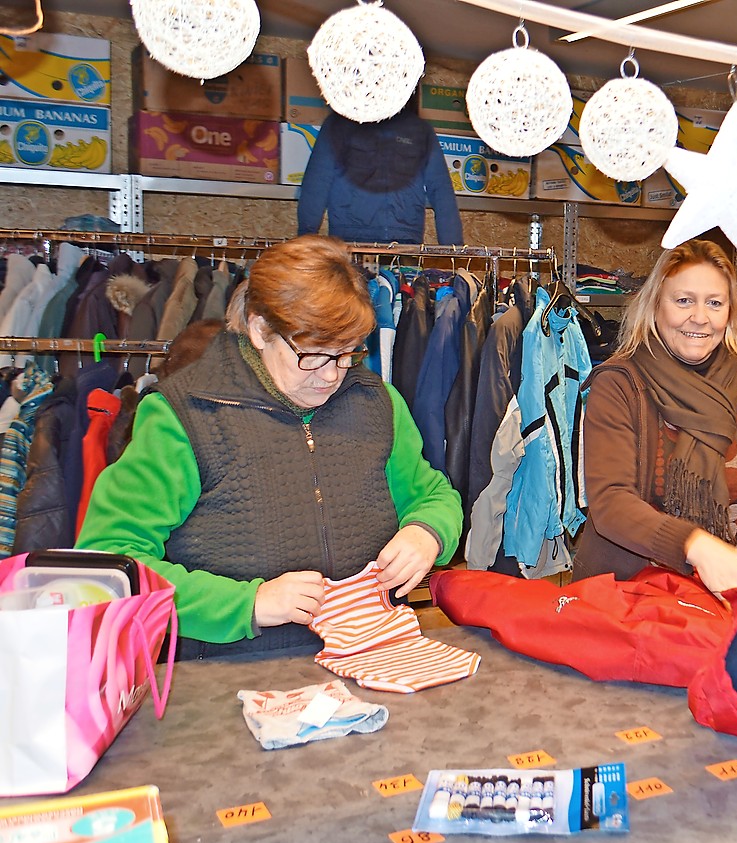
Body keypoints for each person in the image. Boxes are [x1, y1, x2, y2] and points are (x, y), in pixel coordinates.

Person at [77, 235, 463, 658]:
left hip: (372, 662)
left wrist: (427, 532)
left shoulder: (378, 403)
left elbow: (433, 494)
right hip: (231, 683)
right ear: (261, 329)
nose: (332, 375)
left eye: (347, 353)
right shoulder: (183, 418)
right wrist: (248, 605)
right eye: (313, 354)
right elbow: (110, 564)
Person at [574, 239, 737, 598]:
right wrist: (696, 545)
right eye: (684, 300)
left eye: (714, 303)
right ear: (655, 305)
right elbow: (611, 503)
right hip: (633, 595)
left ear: (729, 312)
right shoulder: (620, 384)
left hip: (735, 590)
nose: (700, 317)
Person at [297, 95, 464, 246]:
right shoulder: (337, 126)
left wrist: (453, 247)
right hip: (350, 239)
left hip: (404, 241)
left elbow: (441, 189)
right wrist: (306, 236)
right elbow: (317, 181)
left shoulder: (419, 131)